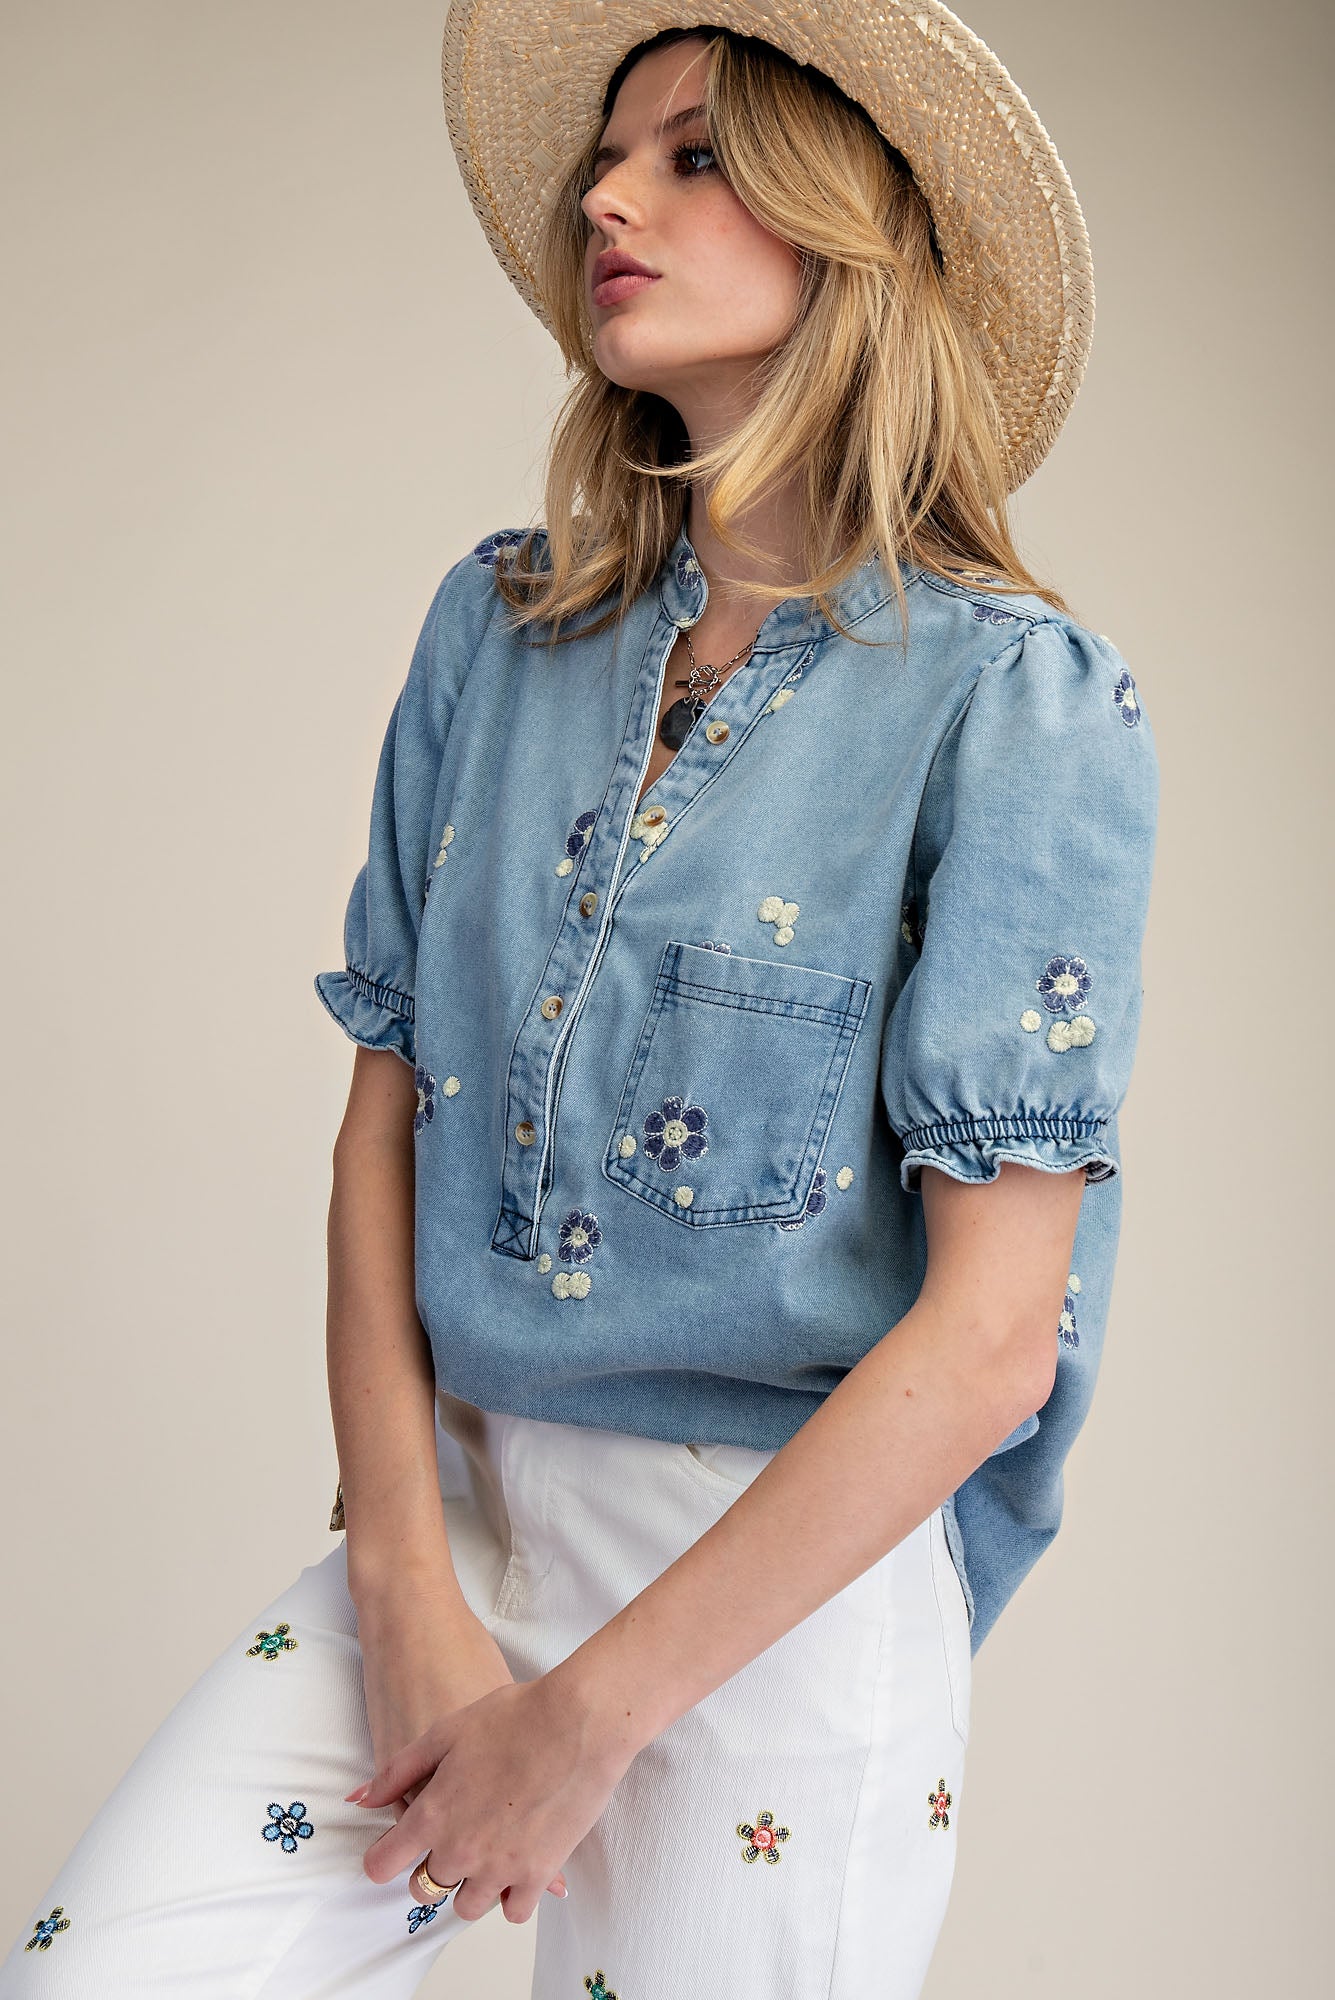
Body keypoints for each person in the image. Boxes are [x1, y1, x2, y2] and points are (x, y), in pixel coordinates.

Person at [4, 6, 1159, 1997]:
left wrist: (589, 1722)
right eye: (605, 160)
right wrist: (400, 1577)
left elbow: (987, 1346)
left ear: (852, 227)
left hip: (776, 1600)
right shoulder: (498, 632)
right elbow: (383, 1127)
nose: (606, 199)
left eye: (692, 154)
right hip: (448, 1520)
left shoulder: (1014, 705)